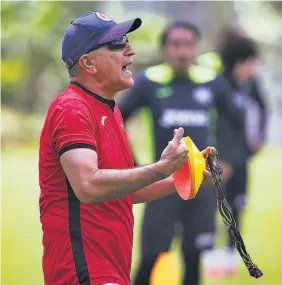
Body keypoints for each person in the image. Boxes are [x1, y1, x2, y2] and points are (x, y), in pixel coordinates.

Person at [38, 12, 215, 285]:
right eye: (118, 44)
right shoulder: (72, 108)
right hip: (83, 268)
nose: (130, 51)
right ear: (88, 62)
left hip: (110, 267)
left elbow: (123, 190)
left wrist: (179, 175)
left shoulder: (108, 110)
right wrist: (159, 167)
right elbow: (89, 185)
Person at [117, 21, 244, 285]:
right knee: (151, 255)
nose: (183, 51)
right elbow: (117, 119)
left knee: (193, 256)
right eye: (176, 44)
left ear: (196, 48)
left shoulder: (212, 83)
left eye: (188, 44)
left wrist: (228, 161)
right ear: (164, 49)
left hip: (201, 185)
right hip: (162, 184)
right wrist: (134, 164)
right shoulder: (150, 82)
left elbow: (237, 123)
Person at [198, 26, 267, 277]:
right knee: (215, 204)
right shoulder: (218, 83)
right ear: (237, 61)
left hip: (242, 157)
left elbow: (262, 109)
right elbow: (210, 122)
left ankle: (230, 254)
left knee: (238, 204)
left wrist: (259, 138)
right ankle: (208, 251)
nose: (253, 67)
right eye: (249, 61)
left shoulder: (250, 84)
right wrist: (218, 159)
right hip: (220, 159)